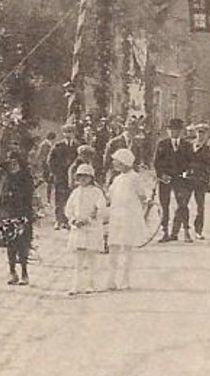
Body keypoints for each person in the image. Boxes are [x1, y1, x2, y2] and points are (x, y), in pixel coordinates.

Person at [103, 148, 147, 290]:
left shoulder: (134, 178)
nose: (114, 163)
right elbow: (109, 197)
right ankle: (111, 280)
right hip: (116, 216)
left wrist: (142, 209)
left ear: (124, 162)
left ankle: (125, 280)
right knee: (113, 247)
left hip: (129, 217)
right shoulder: (116, 179)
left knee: (127, 248)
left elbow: (142, 197)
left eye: (117, 161)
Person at [0, 148, 37, 286]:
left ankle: (25, 272)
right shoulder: (6, 178)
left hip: (22, 215)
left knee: (23, 245)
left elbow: (29, 198)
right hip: (8, 214)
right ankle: (12, 272)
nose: (13, 166)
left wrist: (28, 216)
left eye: (15, 163)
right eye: (10, 163)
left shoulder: (26, 178)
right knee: (10, 245)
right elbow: (1, 197)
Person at [64, 163, 106, 295]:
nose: (83, 179)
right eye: (80, 176)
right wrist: (73, 220)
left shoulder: (96, 192)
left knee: (91, 258)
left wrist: (88, 219)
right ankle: (76, 285)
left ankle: (90, 284)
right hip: (78, 229)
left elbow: (100, 208)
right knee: (78, 259)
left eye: (86, 177)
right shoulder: (75, 192)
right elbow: (68, 209)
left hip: (91, 228)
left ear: (91, 178)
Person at [152, 118, 191, 242]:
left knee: (183, 205)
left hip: (181, 179)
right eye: (171, 130)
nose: (174, 132)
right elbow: (156, 162)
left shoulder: (187, 145)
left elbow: (191, 163)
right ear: (168, 131)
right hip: (165, 179)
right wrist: (161, 175)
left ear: (181, 131)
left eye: (177, 130)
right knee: (165, 206)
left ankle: (185, 231)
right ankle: (165, 232)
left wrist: (186, 173)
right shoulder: (162, 144)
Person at [188, 123, 210, 236]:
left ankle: (198, 230)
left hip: (201, 179)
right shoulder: (189, 145)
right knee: (183, 203)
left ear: (207, 134)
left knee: (200, 206)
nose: (200, 135)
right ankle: (181, 228)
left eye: (203, 132)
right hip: (188, 178)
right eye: (199, 132)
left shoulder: (208, 149)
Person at [47, 125, 75, 230]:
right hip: (60, 176)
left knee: (70, 198)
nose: (68, 134)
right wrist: (56, 172)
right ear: (63, 133)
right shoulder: (58, 146)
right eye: (66, 132)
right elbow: (50, 161)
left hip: (72, 177)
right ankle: (58, 220)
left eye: (70, 132)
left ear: (73, 133)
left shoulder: (77, 146)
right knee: (59, 199)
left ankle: (67, 221)